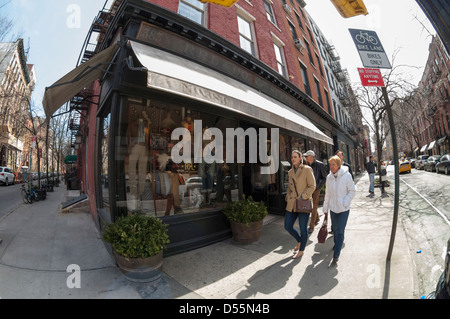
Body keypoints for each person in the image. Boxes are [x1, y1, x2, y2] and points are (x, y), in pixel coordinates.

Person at [322, 155, 355, 263]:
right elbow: (327, 194)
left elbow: (352, 191)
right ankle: (337, 244)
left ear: (338, 165)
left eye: (333, 164)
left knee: (340, 232)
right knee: (335, 230)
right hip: (333, 209)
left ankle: (336, 255)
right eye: (330, 164)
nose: (331, 167)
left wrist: (345, 203)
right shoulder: (329, 177)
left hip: (344, 209)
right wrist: (325, 208)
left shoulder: (347, 175)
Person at [285, 150, 316, 259]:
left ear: (300, 158)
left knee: (303, 228)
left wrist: (303, 197)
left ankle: (301, 250)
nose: (293, 159)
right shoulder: (290, 172)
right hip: (292, 203)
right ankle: (299, 241)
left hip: (303, 202)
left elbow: (312, 186)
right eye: (292, 157)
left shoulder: (307, 169)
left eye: (295, 157)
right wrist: (288, 197)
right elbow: (289, 187)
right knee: (287, 226)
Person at [304, 150, 327, 233]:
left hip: (316, 188)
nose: (306, 158)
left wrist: (318, 187)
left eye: (307, 156)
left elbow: (324, 177)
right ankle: (316, 218)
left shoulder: (319, 164)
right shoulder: (305, 165)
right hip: (308, 189)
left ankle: (312, 225)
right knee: (311, 205)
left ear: (311, 157)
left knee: (314, 206)